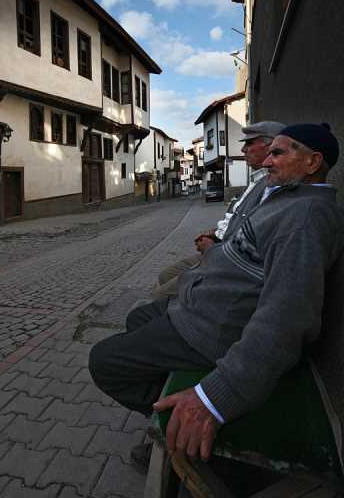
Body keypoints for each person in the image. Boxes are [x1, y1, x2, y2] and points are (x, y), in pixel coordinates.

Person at [89, 123, 344, 464]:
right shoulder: (289, 198)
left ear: (312, 163)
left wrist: (216, 398)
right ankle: (171, 398)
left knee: (104, 361)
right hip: (203, 307)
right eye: (267, 152)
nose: (266, 161)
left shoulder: (304, 220)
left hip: (214, 329)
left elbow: (286, 319)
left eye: (278, 153)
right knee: (139, 316)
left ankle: (181, 422)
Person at [152, 121, 285, 300]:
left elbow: (254, 241)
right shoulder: (256, 181)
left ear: (271, 146)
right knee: (164, 276)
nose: (244, 150)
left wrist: (213, 249)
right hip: (222, 250)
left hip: (228, 261)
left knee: (159, 295)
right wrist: (215, 234)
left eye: (249, 143)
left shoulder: (272, 186)